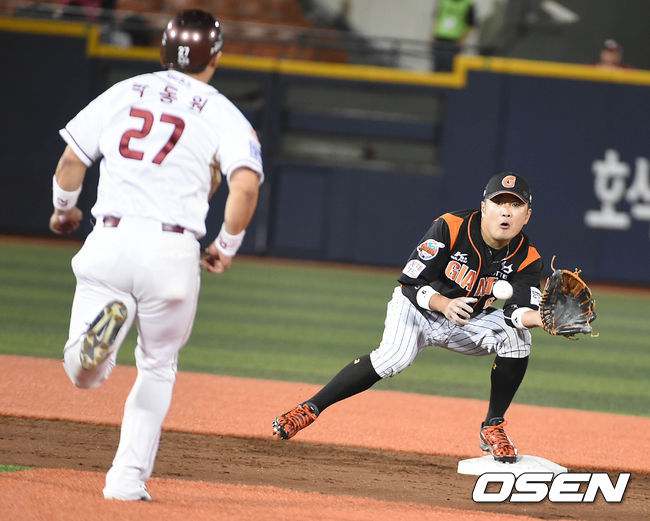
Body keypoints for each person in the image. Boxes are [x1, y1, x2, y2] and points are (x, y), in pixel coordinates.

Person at [49, 9, 263, 500]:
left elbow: (71, 161)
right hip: (172, 251)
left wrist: (63, 209)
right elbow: (245, 187)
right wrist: (226, 245)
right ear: (216, 56)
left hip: (110, 238)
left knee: (82, 375)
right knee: (158, 366)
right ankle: (126, 480)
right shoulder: (222, 111)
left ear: (163, 50)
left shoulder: (124, 91)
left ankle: (90, 356)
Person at [273, 172, 544, 463]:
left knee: (517, 337)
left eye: (515, 205)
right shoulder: (451, 227)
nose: (506, 211)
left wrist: (542, 319)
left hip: (466, 321)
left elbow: (516, 312)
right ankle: (310, 408)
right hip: (417, 309)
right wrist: (443, 304)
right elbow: (410, 283)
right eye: (498, 202)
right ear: (484, 207)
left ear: (527, 215)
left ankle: (493, 426)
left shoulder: (528, 257)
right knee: (394, 358)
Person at [431, 0, 476, 72]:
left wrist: (463, 40)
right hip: (440, 39)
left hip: (455, 42)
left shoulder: (467, 4)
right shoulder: (443, 2)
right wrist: (433, 35)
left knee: (451, 69)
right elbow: (437, 18)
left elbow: (470, 25)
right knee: (437, 68)